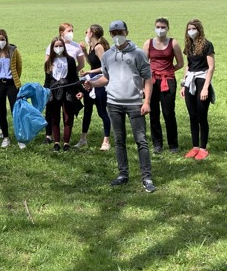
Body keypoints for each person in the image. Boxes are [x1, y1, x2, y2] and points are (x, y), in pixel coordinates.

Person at [86, 20, 155, 193]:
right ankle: (123, 174)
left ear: (126, 32)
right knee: (119, 140)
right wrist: (92, 83)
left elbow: (148, 78)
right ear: (110, 35)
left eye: (120, 32)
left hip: (135, 104)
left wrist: (147, 102)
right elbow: (106, 78)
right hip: (114, 104)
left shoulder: (138, 54)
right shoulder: (108, 56)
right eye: (114, 33)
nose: (117, 36)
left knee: (141, 141)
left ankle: (146, 178)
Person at [142, 17, 184, 154]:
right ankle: (157, 144)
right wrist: (144, 83)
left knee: (168, 113)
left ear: (167, 28)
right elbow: (143, 64)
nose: (160, 30)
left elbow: (180, 63)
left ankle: (173, 145)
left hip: (168, 80)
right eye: (158, 27)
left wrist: (168, 71)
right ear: (154, 28)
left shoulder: (173, 43)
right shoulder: (148, 43)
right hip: (152, 81)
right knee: (154, 113)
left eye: (163, 27)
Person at [44, 23, 85, 143]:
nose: (58, 48)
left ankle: (66, 142)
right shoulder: (49, 62)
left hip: (67, 91)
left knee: (67, 117)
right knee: (54, 117)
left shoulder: (70, 60)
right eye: (56, 46)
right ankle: (56, 142)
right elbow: (47, 80)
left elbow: (74, 77)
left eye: (60, 46)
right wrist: (44, 92)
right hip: (54, 91)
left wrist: (81, 90)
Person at [180, 19, 215, 161]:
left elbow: (211, 68)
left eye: (193, 28)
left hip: (202, 80)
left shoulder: (207, 45)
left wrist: (206, 88)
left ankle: (203, 148)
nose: (191, 31)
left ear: (199, 30)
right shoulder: (189, 46)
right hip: (190, 81)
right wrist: (184, 84)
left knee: (202, 116)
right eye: (189, 29)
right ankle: (195, 147)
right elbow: (188, 66)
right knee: (192, 115)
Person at [74, 24, 112, 151]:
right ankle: (83, 139)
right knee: (87, 111)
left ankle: (106, 140)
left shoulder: (99, 47)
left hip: (100, 81)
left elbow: (105, 67)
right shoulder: (91, 47)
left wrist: (89, 72)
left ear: (92, 33)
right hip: (90, 81)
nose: (85, 34)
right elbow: (92, 62)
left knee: (102, 112)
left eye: (87, 32)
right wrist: (85, 52)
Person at [0, 29, 24, 148]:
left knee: (16, 111)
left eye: (3, 39)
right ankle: (6, 137)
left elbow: (19, 66)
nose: (1, 42)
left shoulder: (13, 50)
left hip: (12, 84)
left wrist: (15, 78)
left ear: (6, 39)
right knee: (1, 111)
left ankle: (20, 138)